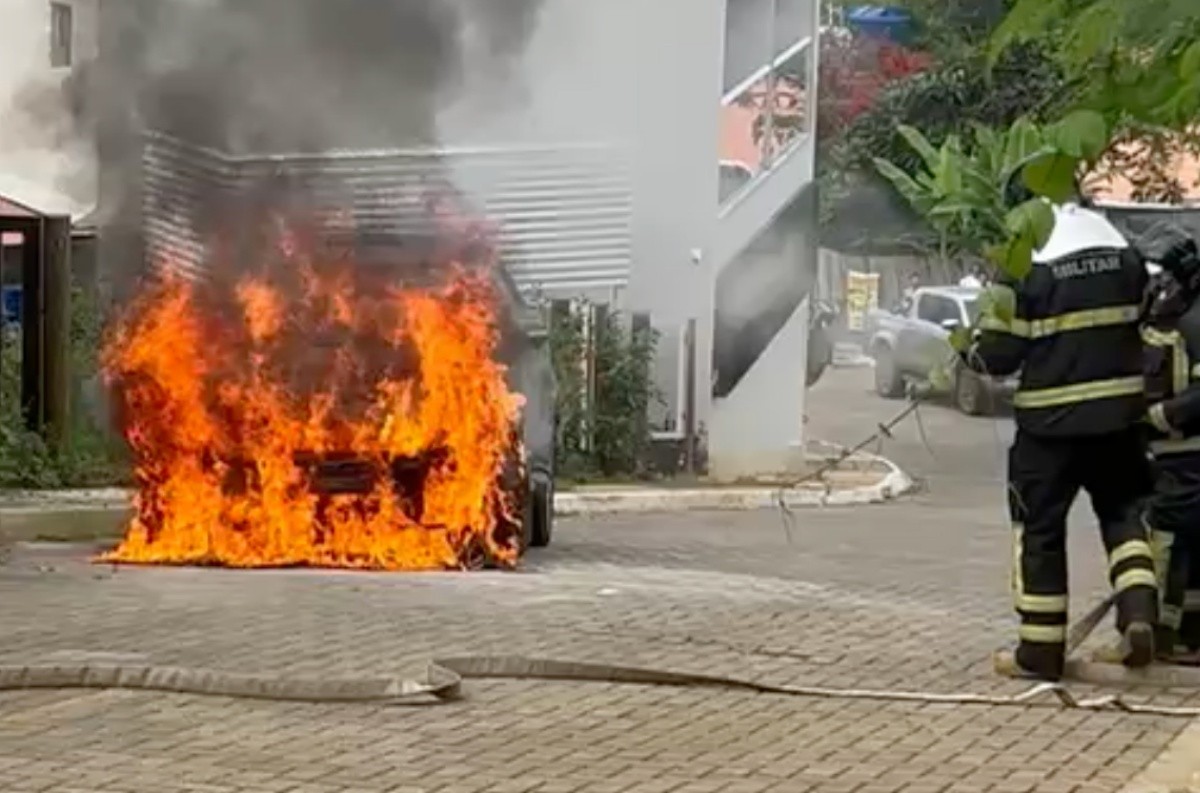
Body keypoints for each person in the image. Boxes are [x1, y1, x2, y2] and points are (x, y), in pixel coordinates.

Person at [963, 184, 1158, 681]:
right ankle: (1138, 616)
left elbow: (999, 357)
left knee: (1041, 532)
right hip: (1119, 421)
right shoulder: (1122, 250)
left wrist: (966, 345)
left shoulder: (1028, 259)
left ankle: (1041, 652)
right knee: (1124, 516)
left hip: (1049, 430)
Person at [1137, 222, 1200, 660]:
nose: (1160, 285)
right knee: (1191, 549)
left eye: (1166, 276)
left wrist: (1155, 418)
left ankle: (1159, 634)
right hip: (1171, 455)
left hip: (1186, 456)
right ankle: (1189, 637)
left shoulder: (1195, 324)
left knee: (1166, 541)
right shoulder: (1173, 317)